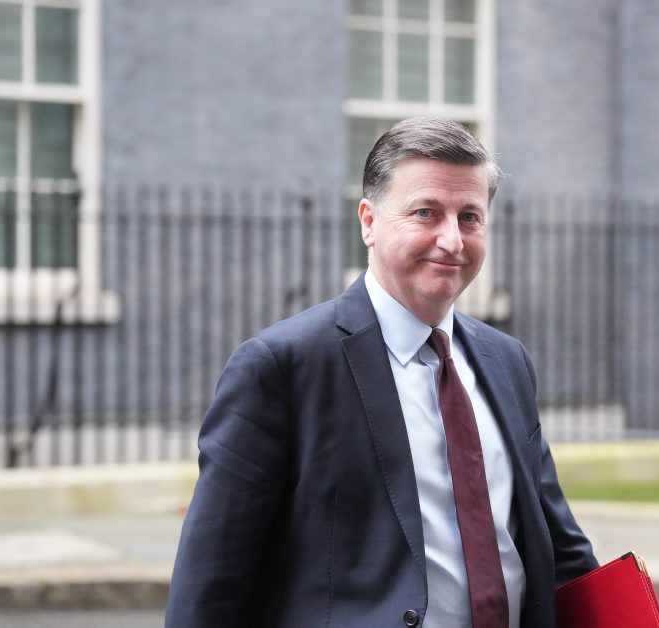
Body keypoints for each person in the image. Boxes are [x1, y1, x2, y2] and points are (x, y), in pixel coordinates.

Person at [165, 117, 598, 627]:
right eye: (426, 213)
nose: (452, 240)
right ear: (368, 222)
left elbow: (559, 547)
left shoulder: (506, 360)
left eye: (469, 217)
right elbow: (210, 584)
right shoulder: (282, 366)